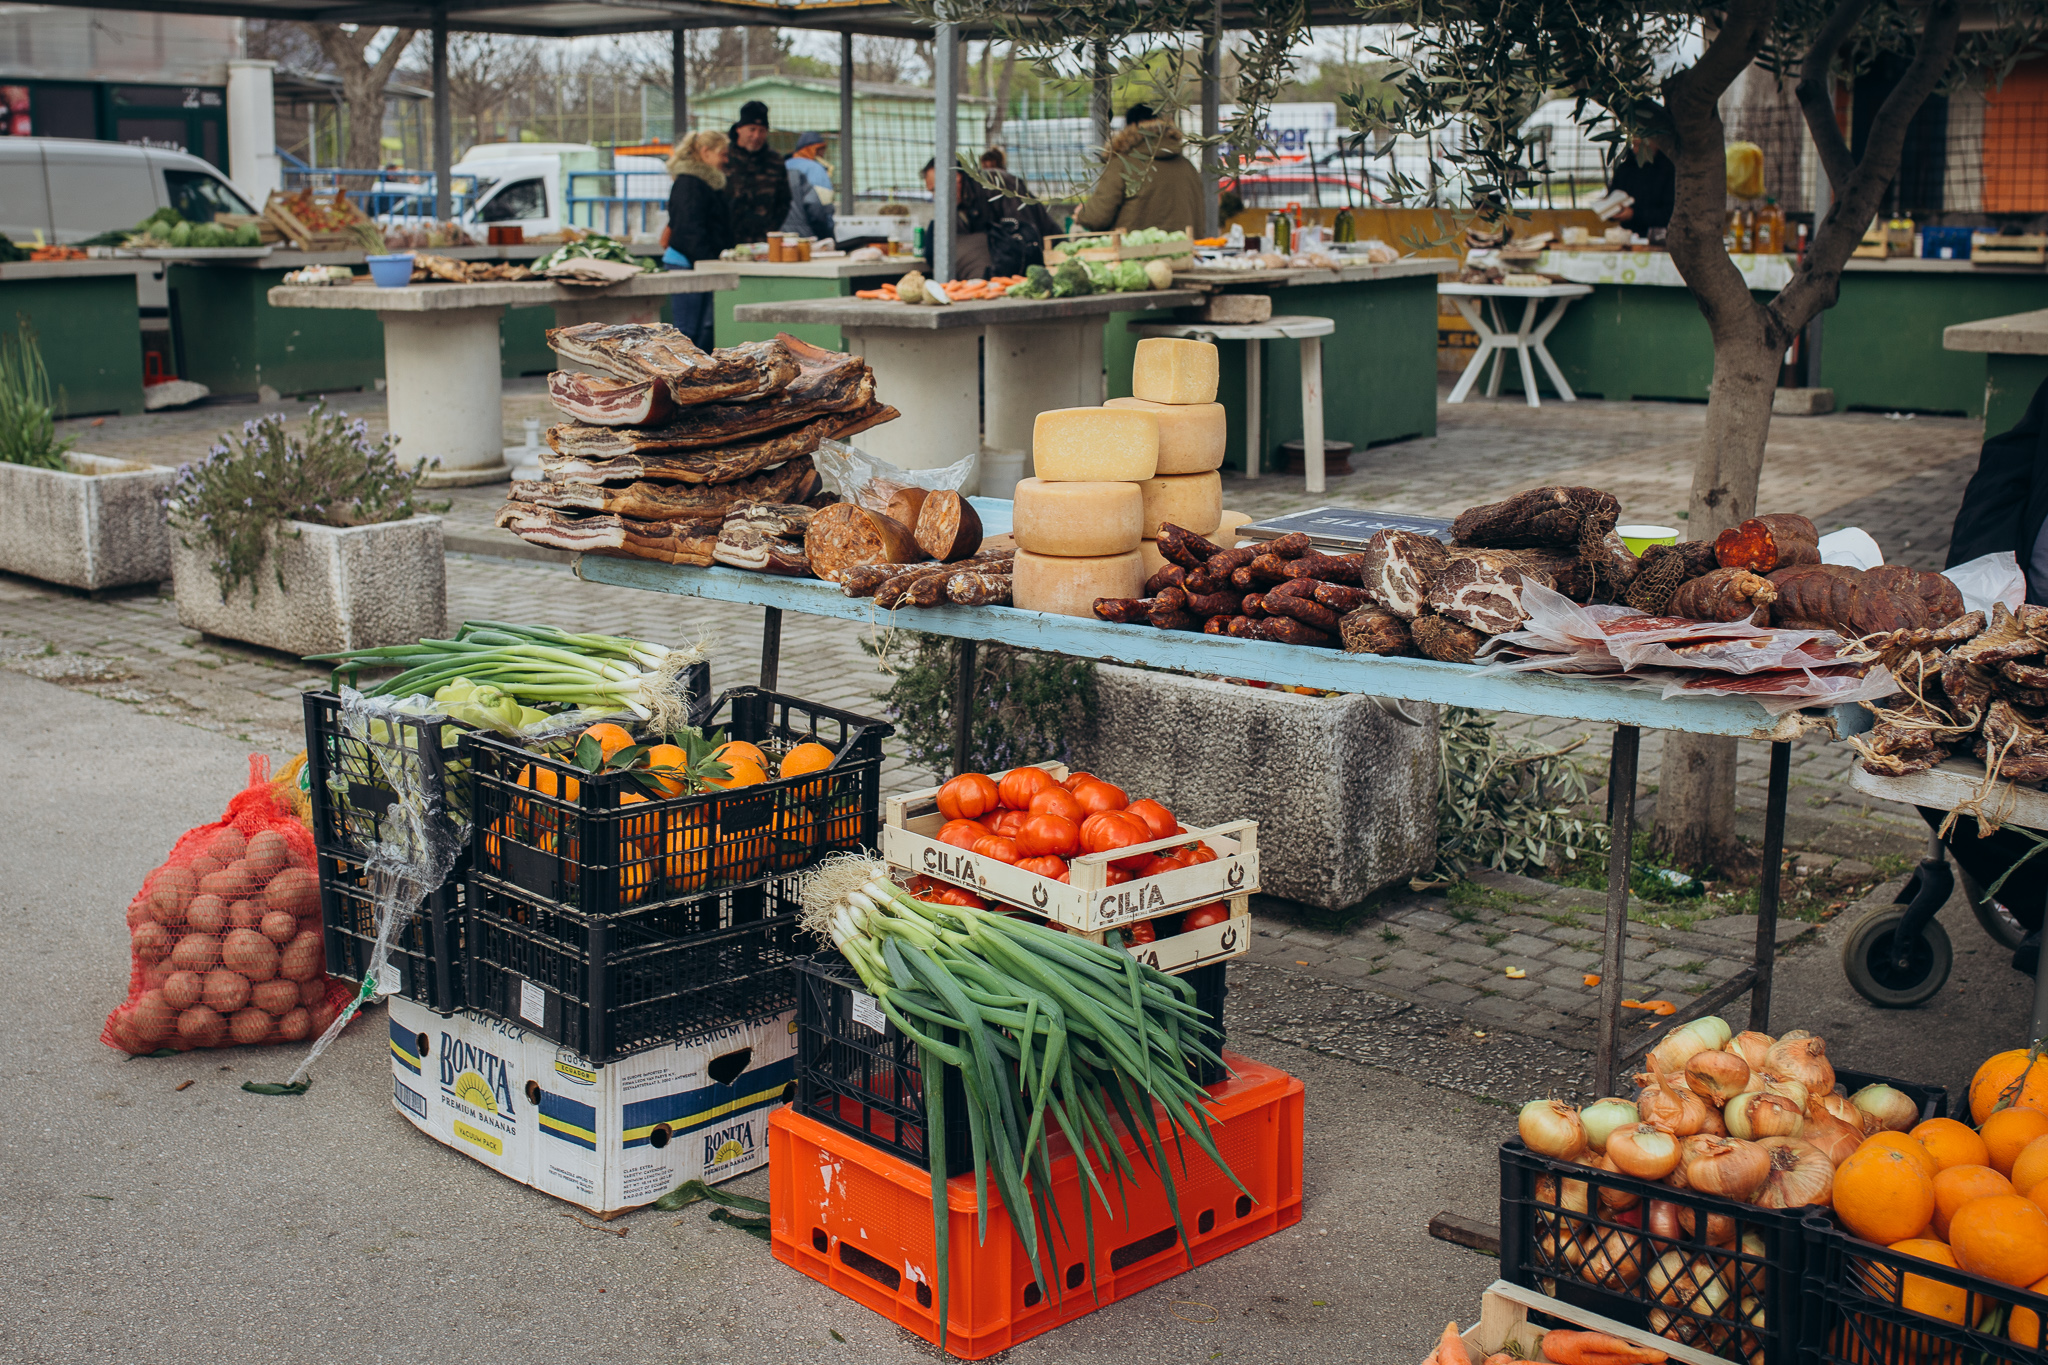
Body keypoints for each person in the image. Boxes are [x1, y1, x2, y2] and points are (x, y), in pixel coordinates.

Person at [1915, 374, 2048, 963]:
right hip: (2018, 629)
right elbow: (2006, 470)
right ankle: (2035, 898)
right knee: (1917, 741)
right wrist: (1972, 592)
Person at [1073, 103, 1204, 236]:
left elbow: (1097, 217)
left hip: (1132, 253)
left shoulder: (1121, 165)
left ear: (1128, 129)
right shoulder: (1187, 166)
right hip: (1183, 251)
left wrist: (1082, 215)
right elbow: (1200, 217)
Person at [661, 129, 734, 349]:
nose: (725, 160)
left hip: (699, 262)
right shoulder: (689, 184)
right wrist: (709, 261)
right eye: (722, 154)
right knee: (687, 331)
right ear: (705, 152)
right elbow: (688, 230)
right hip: (687, 263)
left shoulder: (706, 184)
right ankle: (678, 379)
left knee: (705, 328)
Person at [724, 99, 789, 244]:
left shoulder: (775, 161)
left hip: (762, 242)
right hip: (726, 239)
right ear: (739, 129)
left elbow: (784, 201)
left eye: (762, 131)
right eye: (752, 129)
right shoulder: (725, 157)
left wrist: (770, 228)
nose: (756, 136)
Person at [921, 157, 994, 279]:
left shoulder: (987, 192)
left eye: (935, 190)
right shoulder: (958, 207)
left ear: (957, 177)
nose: (935, 197)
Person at [1608, 135, 1675, 234]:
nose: (1635, 150)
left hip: (1660, 234)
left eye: (1640, 146)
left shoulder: (1668, 170)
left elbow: (1669, 212)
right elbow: (1612, 196)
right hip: (1628, 235)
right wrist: (1612, 210)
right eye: (1634, 145)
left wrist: (1634, 214)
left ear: (1656, 145)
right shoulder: (1625, 169)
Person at [781, 130, 836, 240]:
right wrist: (828, 233)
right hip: (806, 234)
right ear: (811, 149)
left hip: (779, 232)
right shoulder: (815, 168)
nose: (822, 154)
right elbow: (820, 206)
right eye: (819, 150)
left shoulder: (783, 165)